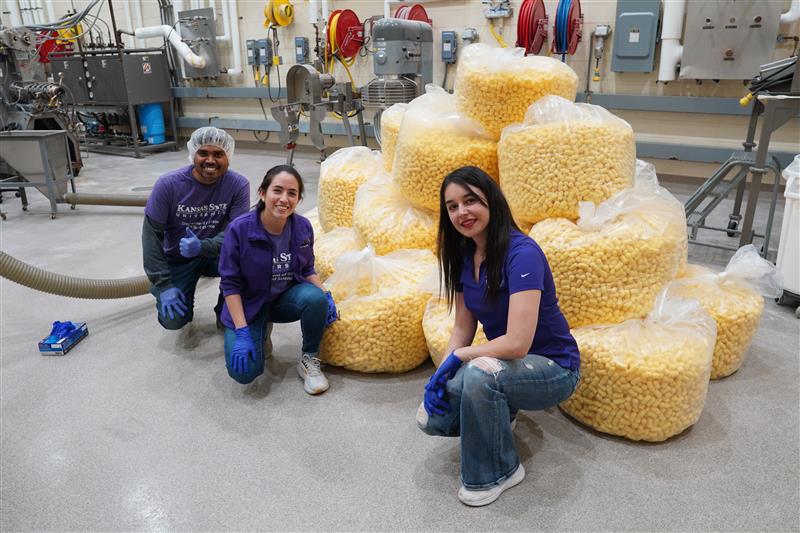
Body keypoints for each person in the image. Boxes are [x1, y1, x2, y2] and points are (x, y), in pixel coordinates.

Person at [416, 166, 581, 507]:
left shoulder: (523, 253)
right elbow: (463, 328)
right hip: (508, 362)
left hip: (554, 367)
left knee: (480, 374)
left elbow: (518, 343)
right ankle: (500, 413)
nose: (462, 212)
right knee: (432, 418)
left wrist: (461, 359)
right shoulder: (463, 256)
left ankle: (499, 471)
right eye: (452, 206)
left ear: (491, 200)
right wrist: (441, 372)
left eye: (470, 200)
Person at [218, 164, 338, 394]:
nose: (284, 199)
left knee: (315, 299)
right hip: (249, 305)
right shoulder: (239, 230)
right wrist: (242, 332)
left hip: (283, 299)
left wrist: (325, 294)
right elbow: (230, 285)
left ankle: (309, 359)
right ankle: (258, 332)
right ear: (263, 193)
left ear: (299, 199)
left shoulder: (302, 227)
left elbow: (308, 268)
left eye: (292, 193)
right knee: (244, 374)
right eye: (277, 190)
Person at [142, 127, 250, 330]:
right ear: (193, 154)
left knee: (250, 260)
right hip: (178, 258)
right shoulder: (168, 185)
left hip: (217, 254)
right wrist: (163, 285)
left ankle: (225, 312)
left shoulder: (238, 185)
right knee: (173, 320)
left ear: (229, 156)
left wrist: (202, 246)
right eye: (203, 153)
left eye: (218, 154)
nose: (210, 160)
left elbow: (237, 234)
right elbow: (151, 237)